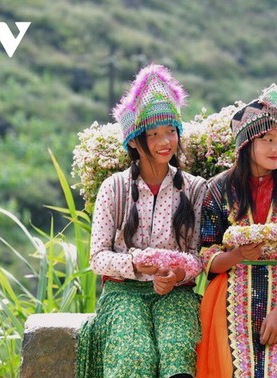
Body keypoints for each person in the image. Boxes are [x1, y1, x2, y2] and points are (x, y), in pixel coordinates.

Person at [76, 64, 207, 378]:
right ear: (134, 141)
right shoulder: (115, 188)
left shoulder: (195, 189)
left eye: (171, 131)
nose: (165, 142)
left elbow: (201, 255)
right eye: (154, 134)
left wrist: (176, 273)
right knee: (135, 355)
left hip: (176, 293)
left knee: (177, 350)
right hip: (124, 293)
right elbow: (98, 258)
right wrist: (136, 264)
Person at [196, 84, 277, 377]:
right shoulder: (218, 189)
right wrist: (238, 254)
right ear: (246, 143)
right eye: (267, 139)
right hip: (230, 293)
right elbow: (207, 253)